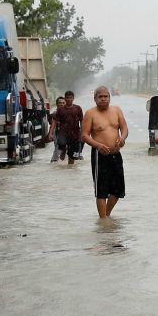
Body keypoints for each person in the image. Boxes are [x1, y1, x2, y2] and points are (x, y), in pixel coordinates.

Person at [81, 86, 129, 218]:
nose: (103, 99)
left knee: (118, 190)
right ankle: (103, 221)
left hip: (115, 154)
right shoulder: (90, 113)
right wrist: (97, 145)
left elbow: (124, 128)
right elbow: (84, 135)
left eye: (106, 96)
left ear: (109, 97)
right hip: (100, 156)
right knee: (101, 191)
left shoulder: (117, 110)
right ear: (95, 99)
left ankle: (106, 216)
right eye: (100, 97)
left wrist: (122, 138)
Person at [51, 90, 84, 165]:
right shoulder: (60, 110)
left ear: (73, 98)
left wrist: (83, 132)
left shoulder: (78, 108)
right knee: (61, 144)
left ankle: (70, 168)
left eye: (71, 98)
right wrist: (51, 133)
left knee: (72, 156)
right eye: (67, 98)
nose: (69, 99)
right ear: (65, 98)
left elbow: (82, 121)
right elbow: (54, 121)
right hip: (63, 133)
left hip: (75, 134)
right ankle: (63, 150)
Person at [48, 96, 66, 162]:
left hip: (68, 133)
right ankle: (54, 161)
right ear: (57, 104)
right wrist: (50, 134)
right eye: (60, 103)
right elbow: (53, 124)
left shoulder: (69, 112)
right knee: (57, 147)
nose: (62, 104)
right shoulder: (55, 114)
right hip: (57, 133)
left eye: (63, 103)